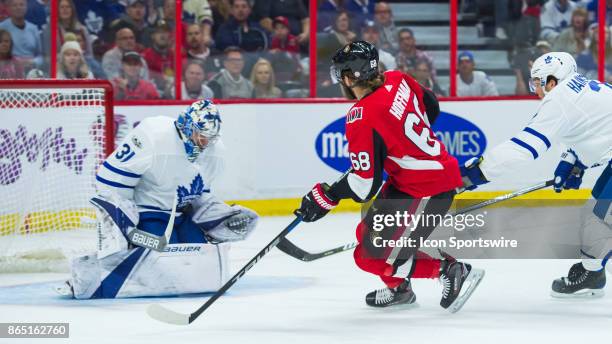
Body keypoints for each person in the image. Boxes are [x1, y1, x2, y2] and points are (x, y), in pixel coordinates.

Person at [296, 41, 484, 311]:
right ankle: (400, 289)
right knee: (366, 234)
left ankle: (448, 269)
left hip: (426, 191)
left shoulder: (360, 117)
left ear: (349, 78)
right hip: (409, 183)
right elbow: (431, 106)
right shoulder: (398, 78)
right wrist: (400, 144)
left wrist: (327, 196)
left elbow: (364, 187)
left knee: (369, 258)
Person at [56, 100, 259, 299]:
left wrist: (220, 217)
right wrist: (125, 226)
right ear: (187, 126)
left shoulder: (215, 153)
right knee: (163, 256)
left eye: (209, 138)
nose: (204, 143)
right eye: (201, 135)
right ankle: (98, 276)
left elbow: (200, 195)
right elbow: (109, 178)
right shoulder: (156, 136)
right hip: (147, 212)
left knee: (200, 256)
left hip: (182, 215)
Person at [461, 52, 612, 298]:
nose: (536, 90)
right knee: (595, 213)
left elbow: (523, 149)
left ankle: (593, 271)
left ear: (552, 81)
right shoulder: (579, 88)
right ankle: (592, 272)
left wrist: (475, 174)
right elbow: (593, 130)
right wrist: (573, 162)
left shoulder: (559, 100)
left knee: (601, 220)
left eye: (538, 82)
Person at [0, 0, 42, 69]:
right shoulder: (2, 27)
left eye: (21, 5)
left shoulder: (33, 28)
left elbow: (40, 56)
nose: (18, 7)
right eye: (15, 5)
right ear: (9, 8)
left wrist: (33, 62)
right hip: (8, 71)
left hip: (31, 71)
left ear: (26, 7)